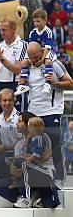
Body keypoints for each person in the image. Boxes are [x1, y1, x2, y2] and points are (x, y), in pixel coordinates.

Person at [25, 42, 73, 187]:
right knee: (34, 146)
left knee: (55, 145)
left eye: (36, 56)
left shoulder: (54, 64)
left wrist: (56, 82)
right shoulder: (27, 66)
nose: (33, 60)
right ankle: (38, 179)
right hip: (34, 111)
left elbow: (70, 82)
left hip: (51, 111)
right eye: (30, 57)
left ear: (42, 52)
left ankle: (59, 178)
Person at [0, 18, 27, 108]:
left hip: (13, 85)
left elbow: (17, 70)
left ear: (13, 29)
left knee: (16, 117)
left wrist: (1, 57)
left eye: (4, 30)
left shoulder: (22, 45)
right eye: (0, 30)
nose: (2, 33)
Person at [16, 9, 55, 95]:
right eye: (34, 22)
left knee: (48, 61)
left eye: (38, 21)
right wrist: (29, 59)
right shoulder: (32, 32)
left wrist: (42, 59)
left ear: (45, 20)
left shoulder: (48, 32)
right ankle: (23, 84)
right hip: (35, 52)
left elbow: (48, 47)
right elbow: (30, 47)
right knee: (24, 62)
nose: (36, 23)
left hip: (47, 51)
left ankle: (47, 83)